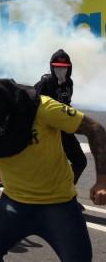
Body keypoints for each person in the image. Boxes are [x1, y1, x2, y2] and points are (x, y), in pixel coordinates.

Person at [0, 75, 106, 262]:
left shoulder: (42, 108)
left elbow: (95, 129)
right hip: (13, 204)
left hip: (59, 205)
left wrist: (102, 180)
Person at [35, 49, 87, 187]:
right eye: (57, 67)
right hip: (47, 131)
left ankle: (66, 194)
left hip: (63, 129)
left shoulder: (69, 83)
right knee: (49, 166)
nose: (60, 71)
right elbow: (33, 106)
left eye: (64, 68)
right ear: (52, 67)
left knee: (80, 161)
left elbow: (67, 104)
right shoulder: (45, 83)